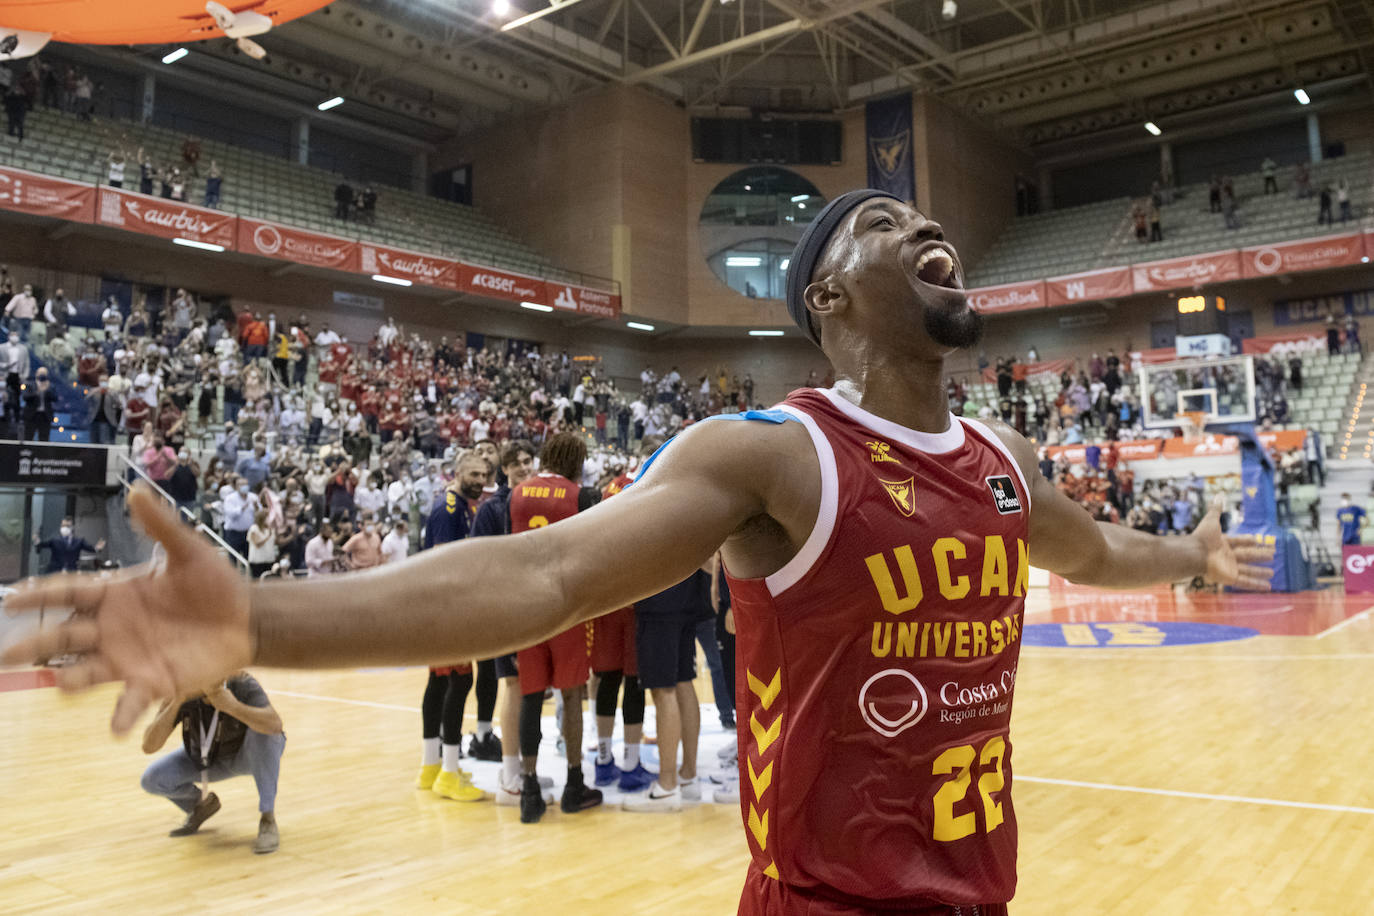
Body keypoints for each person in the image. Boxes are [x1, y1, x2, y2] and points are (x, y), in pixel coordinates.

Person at [3, 191, 1275, 915]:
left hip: (983, 895)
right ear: (825, 298)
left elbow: (1092, 545)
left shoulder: (999, 457)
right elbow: (543, 575)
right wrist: (260, 618)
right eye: (887, 223)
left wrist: (1187, 557)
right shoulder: (772, 453)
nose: (928, 223)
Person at [510, 432, 604, 823]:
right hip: (566, 606)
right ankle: (573, 783)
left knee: (531, 696)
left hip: (525, 607)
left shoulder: (517, 493)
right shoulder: (581, 495)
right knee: (571, 695)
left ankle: (528, 788)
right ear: (575, 462)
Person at [414, 455, 490, 803]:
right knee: (459, 681)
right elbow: (444, 560)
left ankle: (432, 767)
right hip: (448, 607)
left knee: (440, 681)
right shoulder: (449, 508)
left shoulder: (460, 506)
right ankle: (447, 771)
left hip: (434, 607)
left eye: (484, 474)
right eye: (474, 473)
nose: (480, 478)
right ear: (458, 474)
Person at [139, 672, 284, 855]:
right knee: (153, 779)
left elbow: (275, 724)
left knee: (267, 733)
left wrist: (233, 707)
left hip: (245, 757)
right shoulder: (182, 690)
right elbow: (149, 746)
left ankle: (268, 818)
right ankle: (200, 806)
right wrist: (176, 702)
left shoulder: (242, 683)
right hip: (207, 759)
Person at [33, 517, 104, 573]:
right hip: (55, 572)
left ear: (73, 527)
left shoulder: (79, 541)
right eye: (63, 525)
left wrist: (98, 548)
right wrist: (36, 540)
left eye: (67, 526)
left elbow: (92, 549)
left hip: (71, 572)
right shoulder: (54, 540)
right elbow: (41, 544)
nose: (64, 528)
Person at [22, 367, 57, 441]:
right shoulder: (29, 384)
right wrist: (37, 392)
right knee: (28, 437)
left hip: (45, 416)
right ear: (36, 374)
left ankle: (42, 452)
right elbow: (25, 397)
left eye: (44, 373)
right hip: (31, 415)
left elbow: (55, 398)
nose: (42, 375)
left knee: (44, 438)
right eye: (41, 373)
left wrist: (46, 390)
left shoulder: (51, 386)